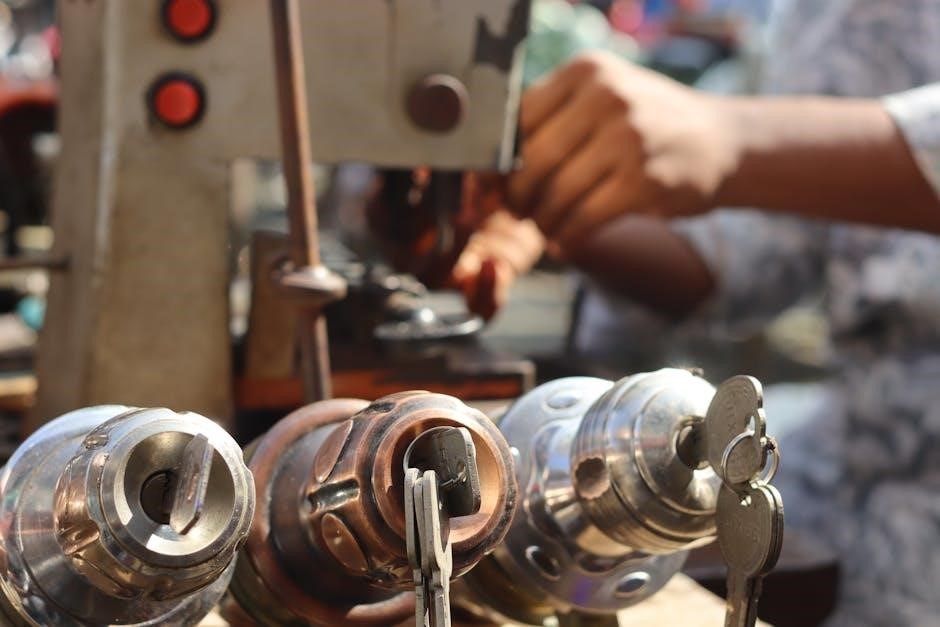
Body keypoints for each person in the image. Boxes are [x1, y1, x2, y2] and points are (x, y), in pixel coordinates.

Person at [452, 1, 940, 625]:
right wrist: (564, 208)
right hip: (846, 491)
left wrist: (732, 137)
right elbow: (761, 253)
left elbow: (745, 156)